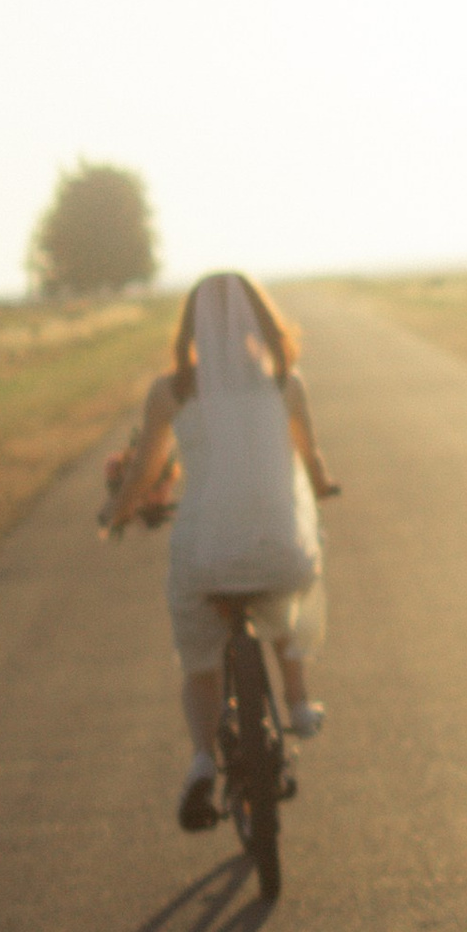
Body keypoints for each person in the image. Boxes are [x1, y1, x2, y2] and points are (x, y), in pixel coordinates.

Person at [102, 272, 341, 830]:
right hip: (278, 552)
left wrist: (118, 512)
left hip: (207, 557)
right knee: (290, 576)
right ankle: (298, 702)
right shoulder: (286, 384)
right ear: (261, 322)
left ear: (191, 330)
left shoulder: (173, 392)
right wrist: (325, 484)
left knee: (201, 665)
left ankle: (204, 760)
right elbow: (312, 459)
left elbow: (146, 471)